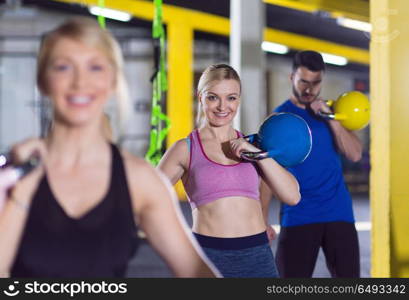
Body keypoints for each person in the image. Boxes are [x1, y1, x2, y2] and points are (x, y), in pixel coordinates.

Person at [0, 17, 218, 278]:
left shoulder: (140, 180)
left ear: (113, 81)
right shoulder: (11, 175)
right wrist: (18, 194)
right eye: (62, 67)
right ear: (43, 81)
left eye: (95, 67)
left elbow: (199, 274)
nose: (80, 82)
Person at [157, 63, 300, 278]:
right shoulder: (185, 149)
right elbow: (146, 198)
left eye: (231, 98)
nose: (222, 106)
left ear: (239, 100)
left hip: (257, 255)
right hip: (210, 256)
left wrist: (255, 153)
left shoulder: (254, 145)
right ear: (200, 98)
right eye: (213, 97)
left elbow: (293, 196)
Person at [262, 50, 363, 278]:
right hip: (299, 214)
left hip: (338, 212)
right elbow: (266, 176)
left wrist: (332, 120)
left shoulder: (332, 111)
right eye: (303, 82)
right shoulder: (279, 119)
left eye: (315, 83)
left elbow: (355, 154)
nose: (309, 89)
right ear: (292, 78)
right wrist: (262, 220)